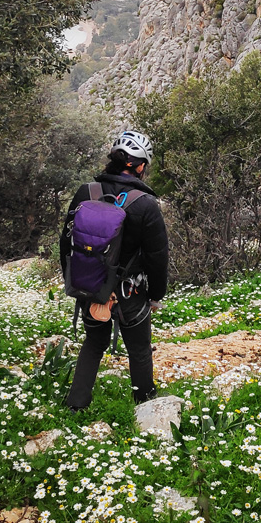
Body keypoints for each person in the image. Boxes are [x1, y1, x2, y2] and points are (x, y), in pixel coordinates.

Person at [60, 130, 169, 410]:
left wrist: (75, 281)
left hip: (91, 284)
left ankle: (76, 405)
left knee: (94, 343)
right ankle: (144, 404)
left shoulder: (87, 192)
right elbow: (157, 257)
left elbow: (66, 242)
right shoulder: (146, 204)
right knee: (139, 349)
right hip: (129, 292)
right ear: (141, 166)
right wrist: (156, 295)